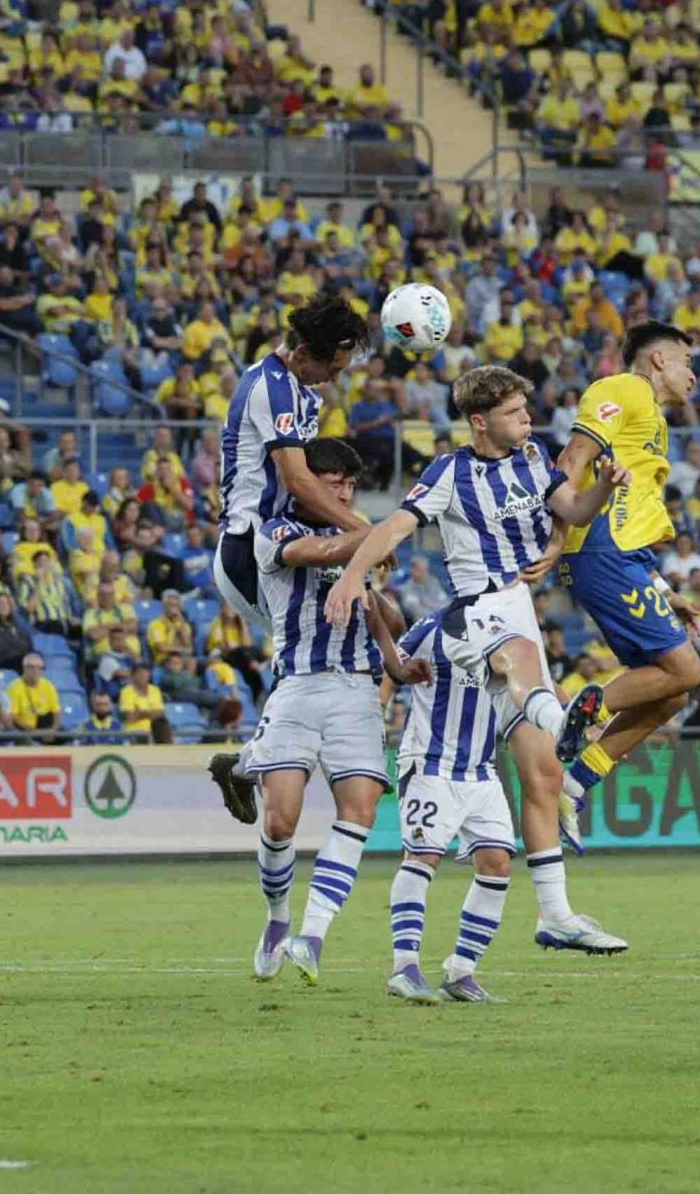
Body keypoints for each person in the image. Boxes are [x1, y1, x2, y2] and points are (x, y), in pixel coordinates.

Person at [323, 367, 632, 952]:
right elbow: (395, 527)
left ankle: (556, 914)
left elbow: (575, 505)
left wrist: (606, 488)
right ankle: (562, 717)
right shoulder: (449, 472)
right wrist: (355, 576)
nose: (529, 420)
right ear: (480, 420)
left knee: (541, 775)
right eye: (517, 413)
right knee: (519, 667)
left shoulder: (535, 458)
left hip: (521, 610)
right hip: (478, 611)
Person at [244, 439, 426, 986]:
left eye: (350, 484)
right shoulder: (274, 529)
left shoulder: (359, 545)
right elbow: (314, 554)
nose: (343, 492)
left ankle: (313, 935)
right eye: (332, 482)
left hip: (356, 691)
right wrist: (379, 535)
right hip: (298, 686)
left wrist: (391, 646)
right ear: (305, 482)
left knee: (362, 809)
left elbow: (382, 617)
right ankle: (278, 918)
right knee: (280, 819)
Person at [207, 291, 372, 823]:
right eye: (331, 366)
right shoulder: (272, 390)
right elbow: (298, 482)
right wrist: (365, 532)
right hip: (248, 546)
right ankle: (271, 759)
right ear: (304, 352)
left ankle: (254, 762)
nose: (333, 378)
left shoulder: (298, 389)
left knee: (330, 639)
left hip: (278, 538)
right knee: (307, 653)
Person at [549, 323, 700, 850]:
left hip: (625, 557)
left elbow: (631, 518)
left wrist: (664, 589)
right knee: (686, 667)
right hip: (598, 550)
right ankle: (583, 705)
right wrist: (555, 540)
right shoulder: (620, 389)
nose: (694, 375)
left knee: (673, 692)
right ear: (659, 360)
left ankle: (574, 784)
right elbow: (570, 460)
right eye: (688, 361)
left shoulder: (653, 419)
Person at [382, 611, 519, 1003]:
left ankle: (461, 971)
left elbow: (534, 681)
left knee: (497, 863)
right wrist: (375, 721)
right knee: (422, 856)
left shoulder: (509, 627)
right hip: (430, 761)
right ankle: (404, 967)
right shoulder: (432, 627)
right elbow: (389, 667)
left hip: (481, 769)